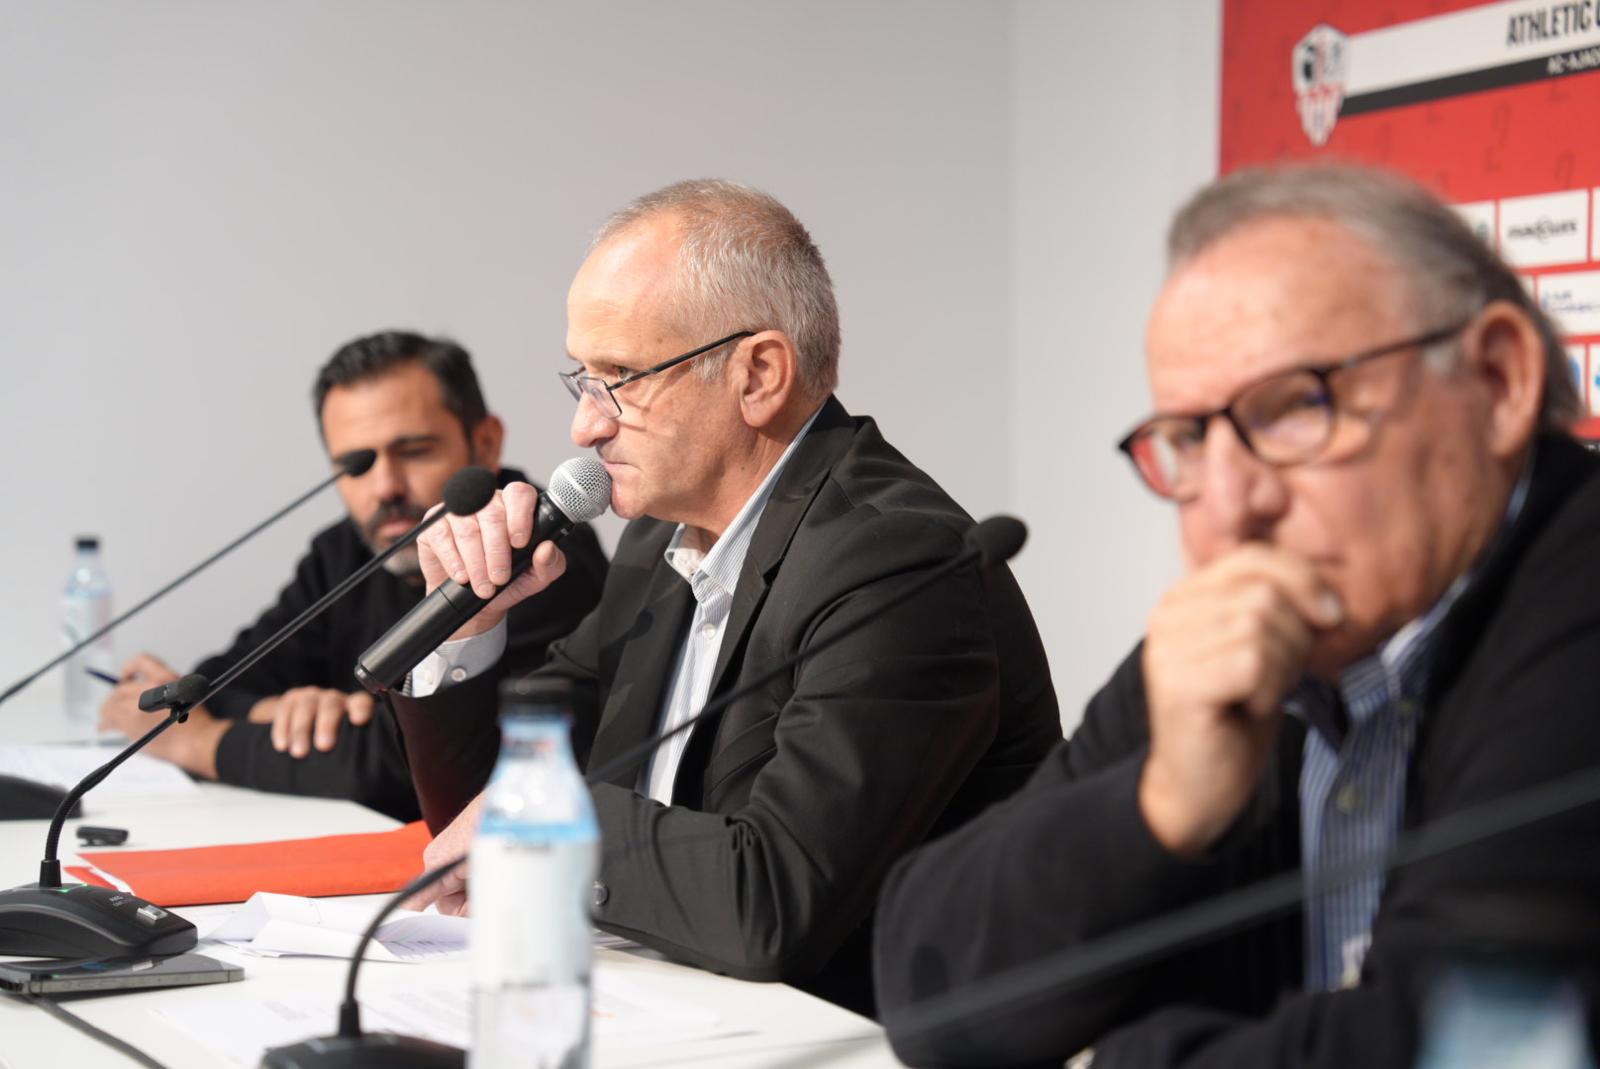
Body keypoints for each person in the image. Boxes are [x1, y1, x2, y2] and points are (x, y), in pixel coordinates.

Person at [873, 162, 1600, 1067]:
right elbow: (928, 989)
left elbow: (1479, 1042)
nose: (1228, 507)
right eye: (1187, 438)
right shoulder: (1251, 633)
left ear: (1497, 380)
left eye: (1295, 406)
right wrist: (1161, 806)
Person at [389, 179, 1063, 1014]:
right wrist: (468, 632)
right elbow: (480, 829)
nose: (585, 427)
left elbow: (774, 901)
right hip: (673, 1008)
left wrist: (559, 818)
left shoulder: (894, 561)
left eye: (620, 377)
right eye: (584, 379)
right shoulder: (657, 542)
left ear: (759, 374)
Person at [96, 332, 609, 822]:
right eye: (357, 465)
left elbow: (394, 768)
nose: (385, 487)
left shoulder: (538, 552)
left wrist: (198, 743)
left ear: (486, 442)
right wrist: (282, 710)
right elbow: (226, 681)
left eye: (414, 451)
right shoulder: (343, 551)